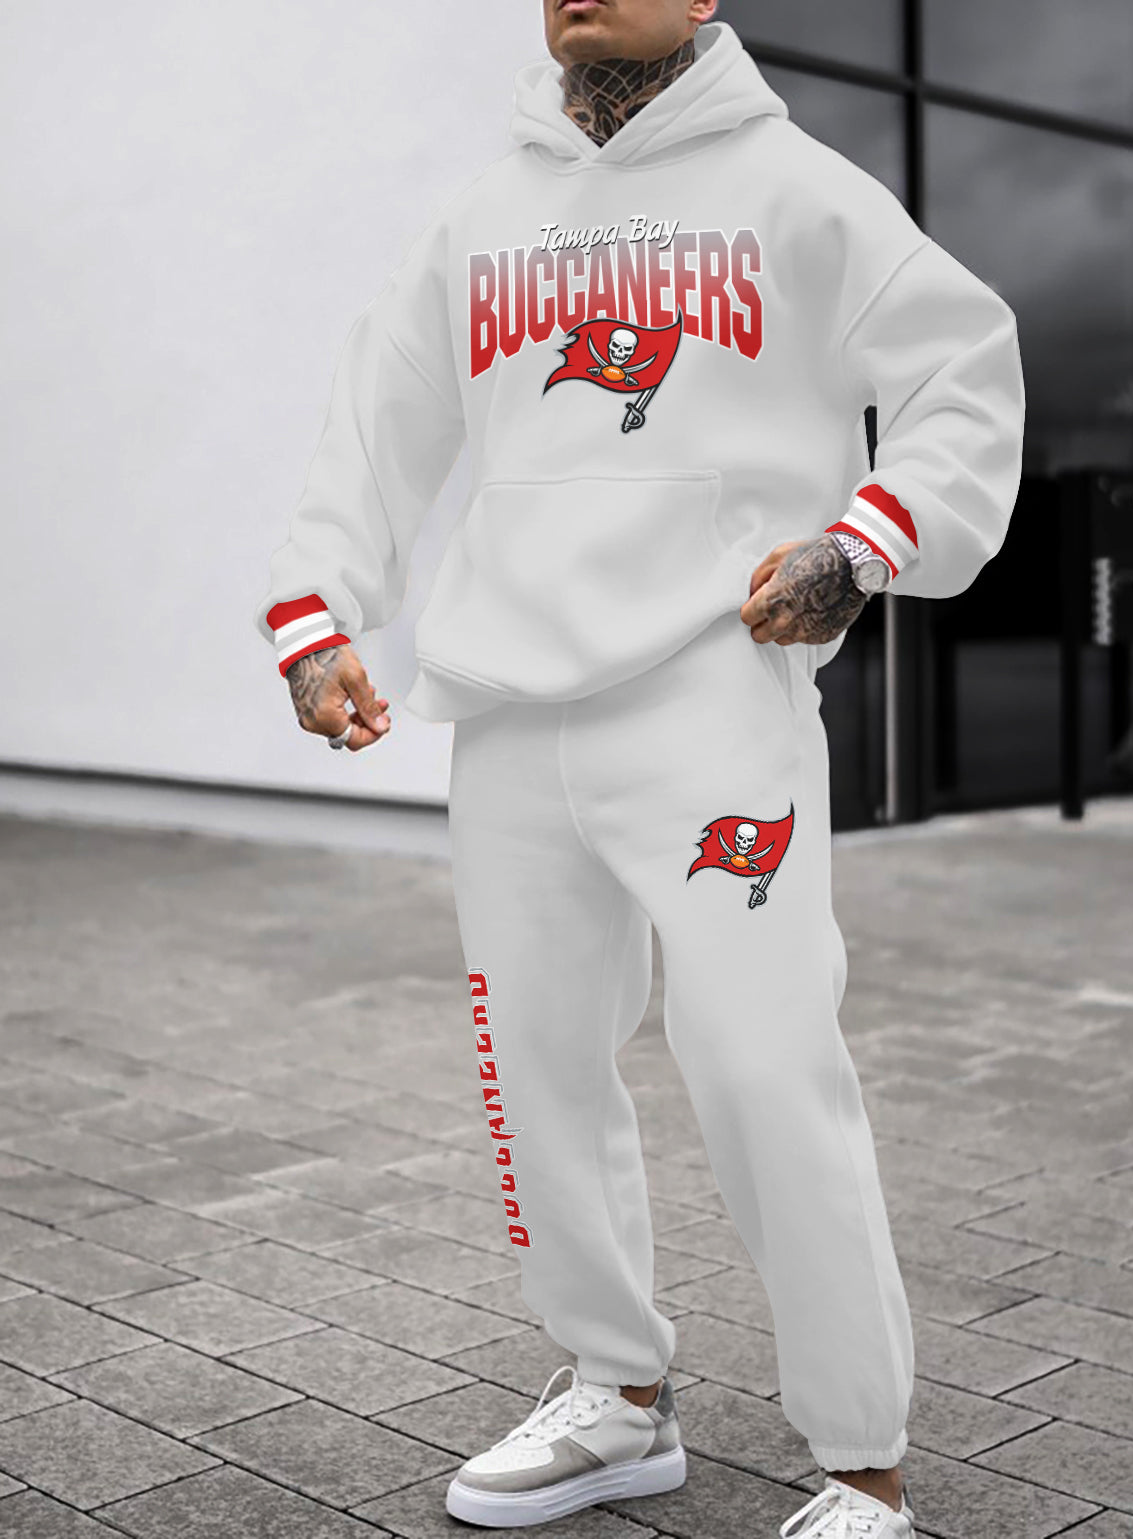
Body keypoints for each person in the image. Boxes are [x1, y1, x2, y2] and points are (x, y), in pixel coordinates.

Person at [254, 1, 1025, 1534]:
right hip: (508, 709)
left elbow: (967, 368)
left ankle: (861, 1464)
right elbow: (377, 421)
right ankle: (616, 1392)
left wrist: (865, 544)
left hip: (711, 692)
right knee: (534, 1061)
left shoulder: (798, 191)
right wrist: (318, 614)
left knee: (762, 1064)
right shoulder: (481, 213)